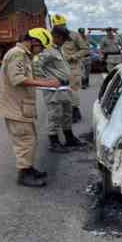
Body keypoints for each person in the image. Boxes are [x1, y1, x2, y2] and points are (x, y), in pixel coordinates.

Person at [0, 28, 60, 188]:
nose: (41, 51)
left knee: (29, 138)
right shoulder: (17, 54)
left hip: (20, 106)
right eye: (41, 47)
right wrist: (46, 83)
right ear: (34, 41)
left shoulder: (23, 55)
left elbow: (26, 77)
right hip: (14, 107)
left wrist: (44, 81)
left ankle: (28, 169)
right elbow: (17, 79)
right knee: (25, 140)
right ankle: (24, 174)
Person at [34, 25, 84, 153]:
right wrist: (46, 81)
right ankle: (54, 141)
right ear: (56, 37)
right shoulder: (48, 50)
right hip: (54, 89)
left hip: (64, 87)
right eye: (63, 38)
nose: (65, 41)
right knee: (54, 115)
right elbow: (36, 64)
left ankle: (69, 137)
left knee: (67, 113)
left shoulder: (58, 49)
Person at [60, 19, 89, 123]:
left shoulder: (74, 35)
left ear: (64, 25)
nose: (59, 27)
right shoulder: (54, 36)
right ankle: (66, 112)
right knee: (62, 91)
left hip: (73, 66)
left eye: (61, 25)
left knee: (73, 90)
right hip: (60, 68)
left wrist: (74, 56)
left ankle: (75, 111)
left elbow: (85, 49)